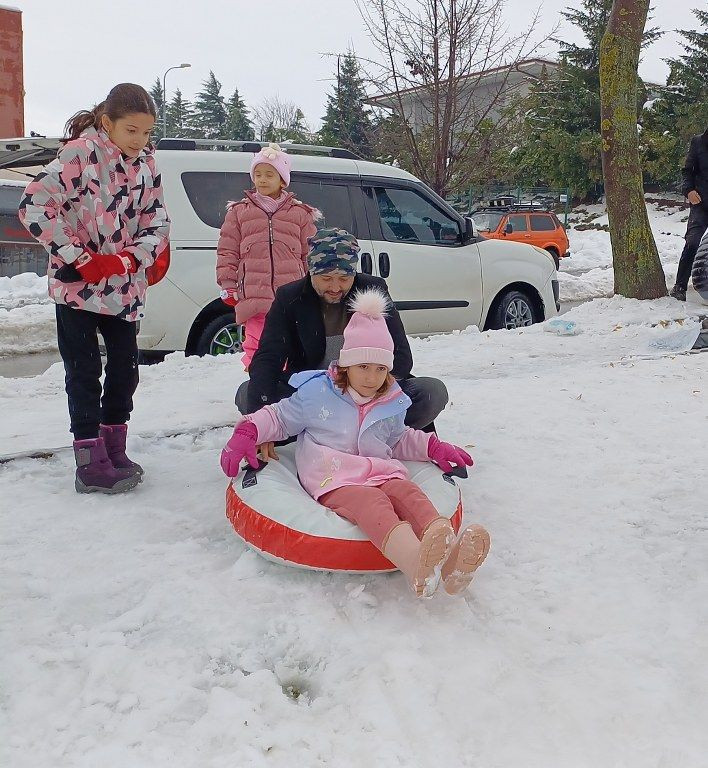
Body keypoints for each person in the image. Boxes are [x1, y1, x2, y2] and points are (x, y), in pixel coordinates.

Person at [221, 288, 490, 597]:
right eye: (363, 366)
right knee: (374, 505)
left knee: (408, 493)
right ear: (346, 364)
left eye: (380, 369)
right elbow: (280, 417)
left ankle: (448, 555)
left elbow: (398, 438)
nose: (371, 377)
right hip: (334, 478)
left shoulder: (389, 399)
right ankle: (415, 563)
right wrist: (248, 432)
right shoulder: (318, 394)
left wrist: (434, 447)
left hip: (380, 471)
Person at [18, 83, 170, 493]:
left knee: (125, 370)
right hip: (77, 290)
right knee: (84, 372)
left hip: (124, 289)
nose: (139, 141)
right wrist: (80, 258)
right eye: (131, 131)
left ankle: (113, 446)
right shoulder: (78, 155)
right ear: (108, 123)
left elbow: (158, 221)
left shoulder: (148, 164)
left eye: (146, 132)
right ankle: (88, 459)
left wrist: (126, 260)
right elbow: (33, 205)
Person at [235, 228, 449, 462]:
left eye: (344, 279)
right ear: (311, 270)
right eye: (326, 278)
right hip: (313, 396)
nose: (336, 287)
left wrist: (368, 389)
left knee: (431, 392)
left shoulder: (372, 290)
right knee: (248, 394)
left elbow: (401, 356)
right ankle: (314, 431)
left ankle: (377, 434)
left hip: (369, 394)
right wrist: (261, 426)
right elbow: (268, 357)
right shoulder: (290, 297)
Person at [216, 142, 320, 368]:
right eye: (258, 174)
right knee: (257, 340)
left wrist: (314, 285)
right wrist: (228, 283)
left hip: (291, 292)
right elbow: (227, 250)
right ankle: (257, 381)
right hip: (254, 291)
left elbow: (311, 254)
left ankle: (286, 381)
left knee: (290, 339)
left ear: (282, 180)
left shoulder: (300, 214)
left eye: (269, 174)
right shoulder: (239, 212)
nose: (262, 179)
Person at [670, 128, 708, 301]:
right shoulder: (698, 142)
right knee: (692, 243)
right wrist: (689, 191)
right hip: (701, 202)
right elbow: (687, 171)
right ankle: (679, 286)